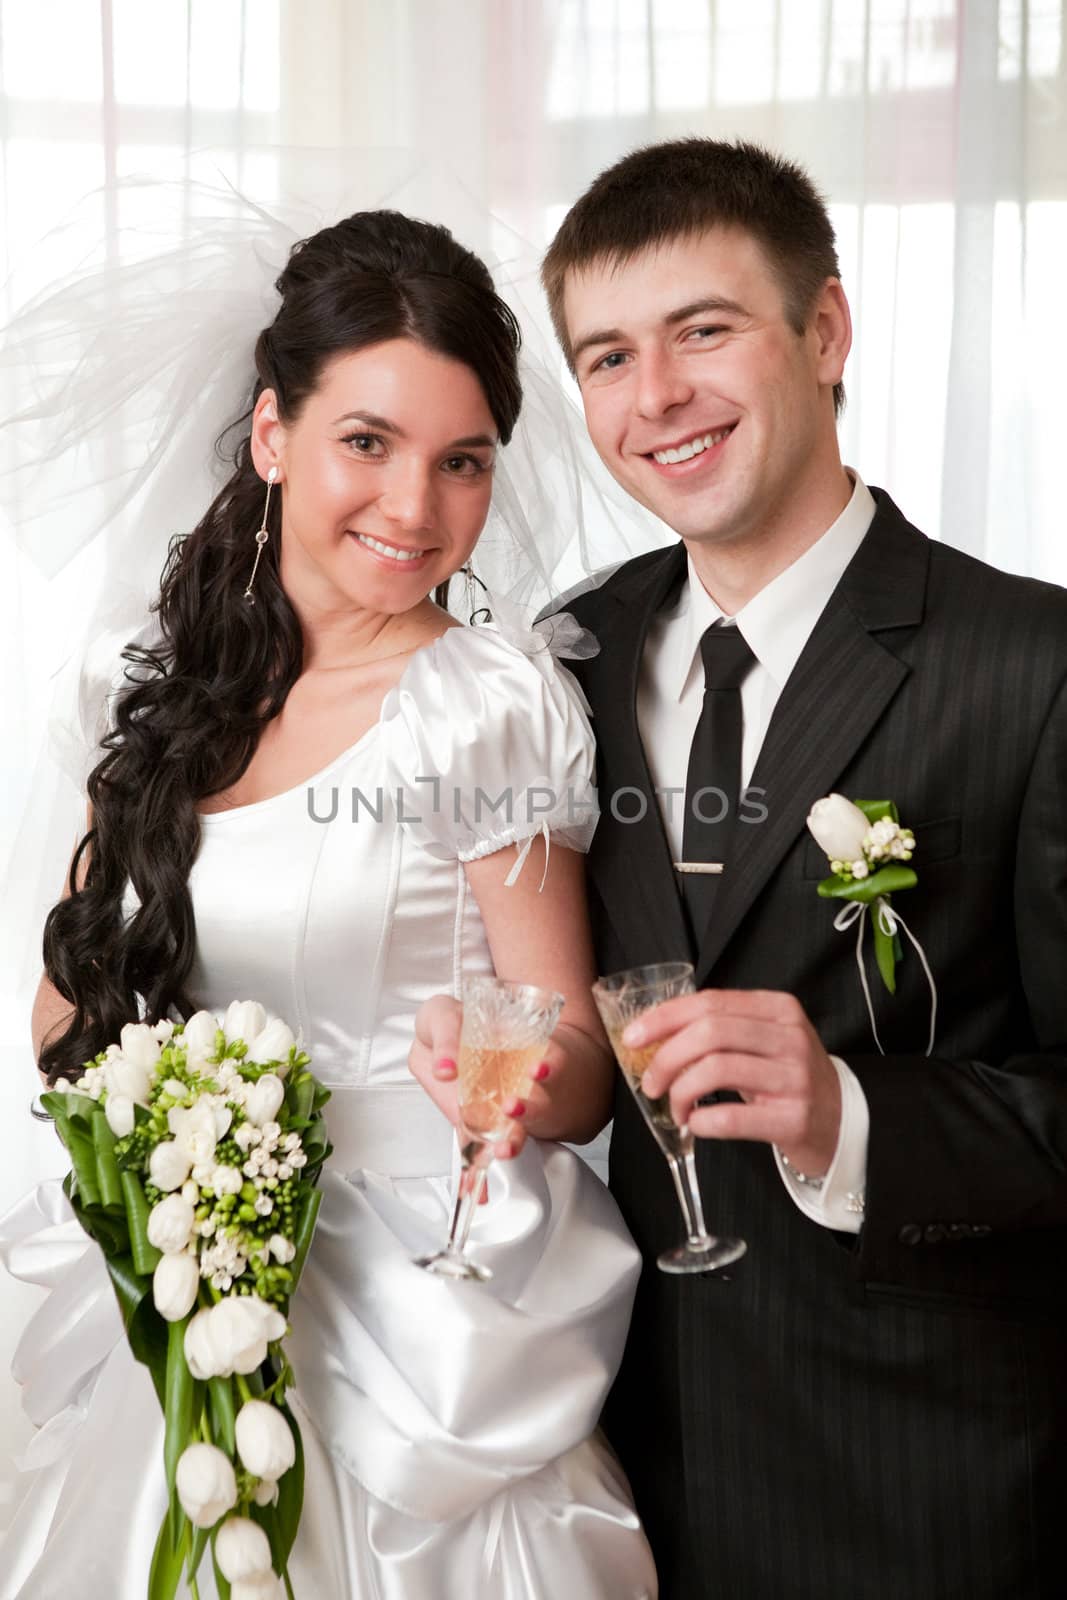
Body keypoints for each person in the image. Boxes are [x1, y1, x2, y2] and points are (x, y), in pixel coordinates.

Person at [419, 137, 1067, 1597]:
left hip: (937, 1494)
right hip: (631, 1482)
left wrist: (850, 1111)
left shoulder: (1037, 666)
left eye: (704, 331)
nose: (657, 399)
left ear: (824, 332)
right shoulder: (560, 667)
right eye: (608, 356)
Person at [0, 209, 658, 1598]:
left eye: (462, 462)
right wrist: (153, 1123)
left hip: (419, 1315)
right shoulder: (157, 683)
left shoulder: (484, 704)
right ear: (271, 435)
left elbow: (586, 1071)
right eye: (369, 442)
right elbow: (69, 1008)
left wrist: (511, 1080)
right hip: (189, 1268)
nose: (415, 510)